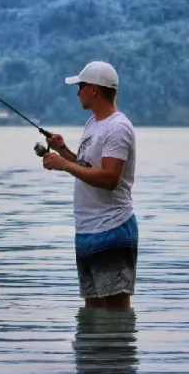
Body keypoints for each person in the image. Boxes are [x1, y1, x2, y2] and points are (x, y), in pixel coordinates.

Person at [42, 60, 137, 309]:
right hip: (86, 230)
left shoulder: (118, 128)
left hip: (112, 229)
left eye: (81, 86)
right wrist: (63, 151)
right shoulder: (93, 124)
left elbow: (109, 179)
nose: (77, 92)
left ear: (94, 89)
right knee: (92, 315)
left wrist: (64, 165)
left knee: (115, 314)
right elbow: (87, 168)